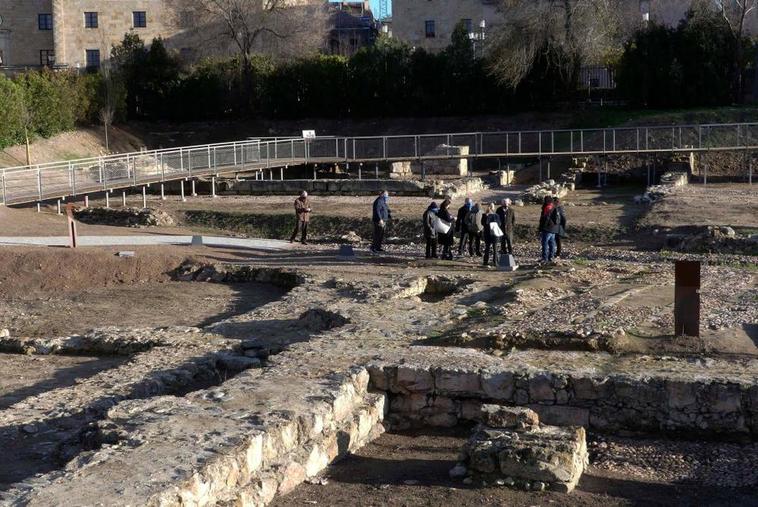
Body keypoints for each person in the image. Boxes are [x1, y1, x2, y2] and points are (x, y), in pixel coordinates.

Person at [538, 196, 561, 263]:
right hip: (554, 228)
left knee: (544, 243)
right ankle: (551, 257)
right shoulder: (554, 206)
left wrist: (542, 228)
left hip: (547, 228)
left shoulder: (547, 207)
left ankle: (544, 258)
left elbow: (546, 218)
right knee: (552, 243)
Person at [482, 202, 502, 267]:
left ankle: (485, 261)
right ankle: (495, 262)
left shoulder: (484, 215)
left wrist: (486, 215)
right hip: (494, 234)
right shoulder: (496, 216)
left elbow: (483, 223)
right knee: (495, 249)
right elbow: (499, 224)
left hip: (487, 234)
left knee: (487, 248)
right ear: (494, 208)